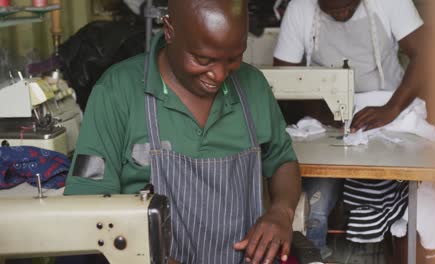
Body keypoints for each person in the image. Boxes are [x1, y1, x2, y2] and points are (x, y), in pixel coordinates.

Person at [64, 0, 301, 263]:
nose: (220, 74)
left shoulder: (253, 86)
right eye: (203, 59)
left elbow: (282, 160)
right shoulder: (117, 92)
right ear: (169, 31)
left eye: (233, 58)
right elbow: (89, 207)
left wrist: (281, 212)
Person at [273, 0, 424, 258]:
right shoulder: (301, 8)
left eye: (346, 6)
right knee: (313, 206)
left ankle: (375, 249)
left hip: (386, 110)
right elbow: (284, 77)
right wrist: (319, 111)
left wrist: (393, 108)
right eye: (331, 9)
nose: (340, 14)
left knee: (395, 195)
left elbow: (428, 54)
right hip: (326, 115)